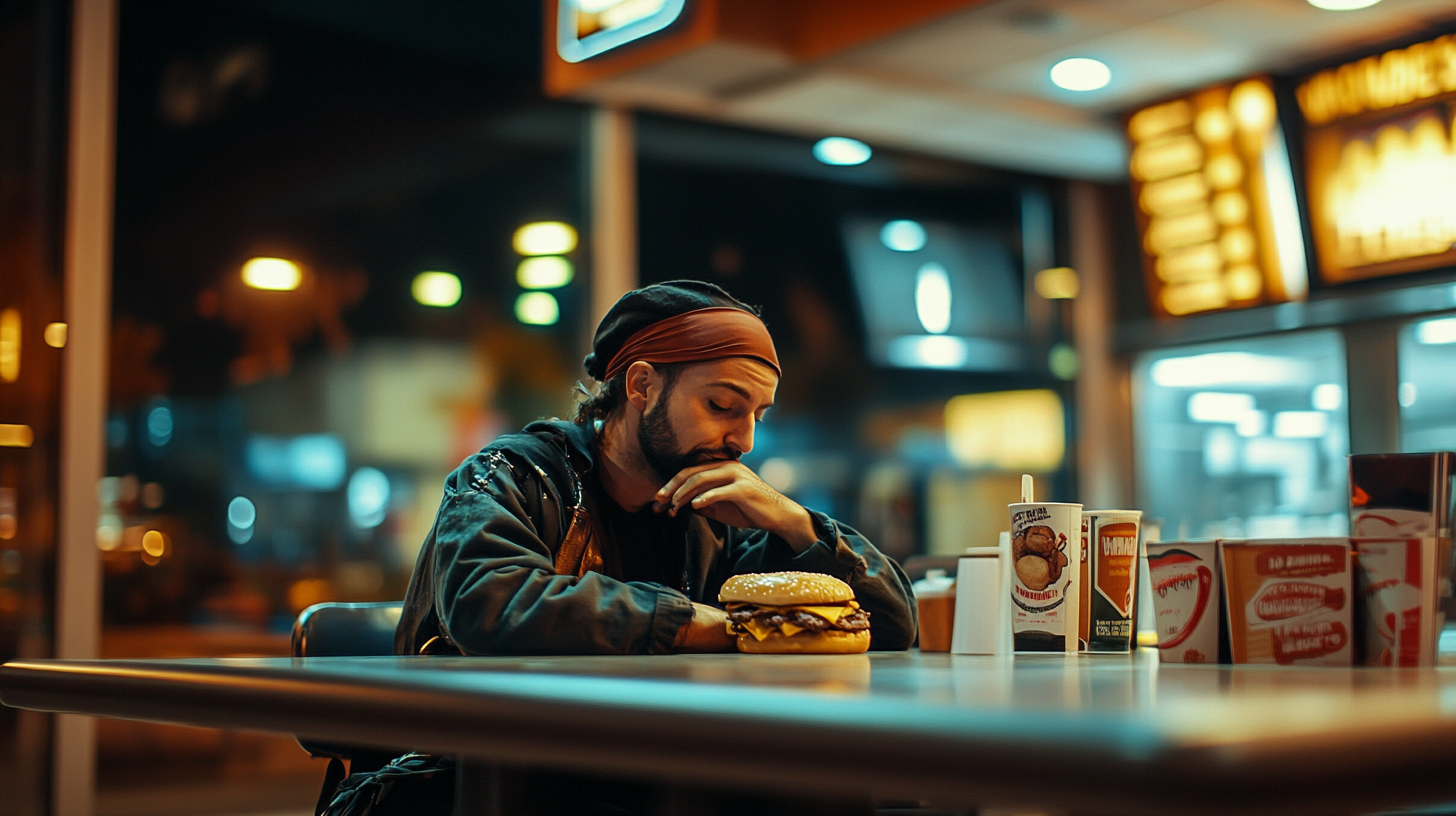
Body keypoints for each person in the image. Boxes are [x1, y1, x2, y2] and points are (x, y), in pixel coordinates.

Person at [396, 279, 915, 657]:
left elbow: (891, 624)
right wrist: (688, 621)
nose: (745, 440)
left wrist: (792, 522)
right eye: (720, 406)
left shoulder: (712, 516)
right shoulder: (514, 475)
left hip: (636, 767)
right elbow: (488, 604)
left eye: (757, 415)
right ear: (642, 386)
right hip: (472, 776)